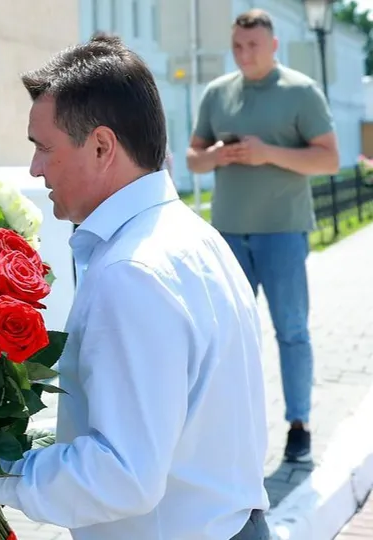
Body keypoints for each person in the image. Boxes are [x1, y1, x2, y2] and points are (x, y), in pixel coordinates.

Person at [0, 35, 271, 540]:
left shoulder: (133, 271)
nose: (34, 168)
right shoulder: (193, 237)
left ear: (102, 146)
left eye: (44, 147)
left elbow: (122, 477)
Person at [186, 8, 339, 463]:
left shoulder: (300, 91)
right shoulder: (217, 93)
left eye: (252, 45)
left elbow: (329, 160)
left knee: (291, 331)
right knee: (227, 335)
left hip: (283, 232)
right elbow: (193, 160)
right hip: (228, 233)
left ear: (273, 45)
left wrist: (265, 153)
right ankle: (228, 428)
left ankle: (298, 425)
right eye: (237, 45)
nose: (243, 53)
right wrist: (218, 153)